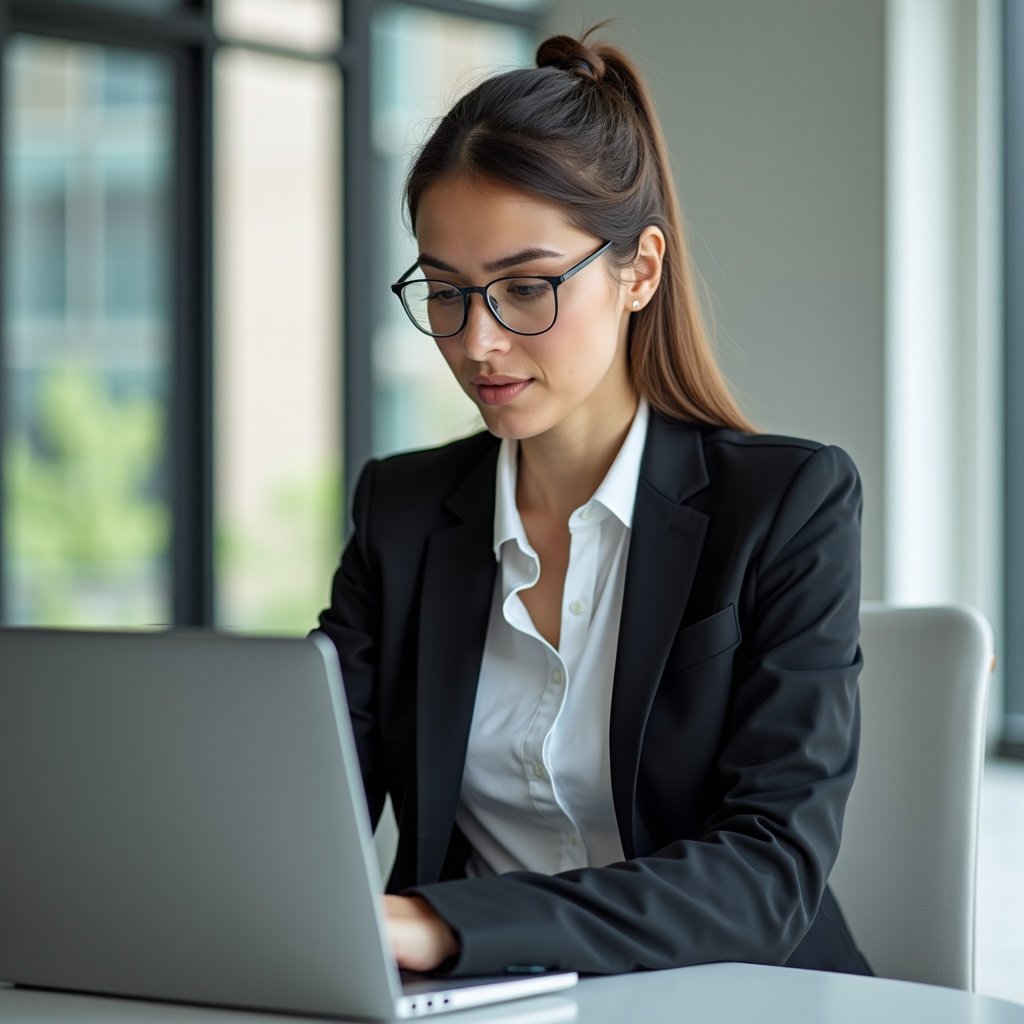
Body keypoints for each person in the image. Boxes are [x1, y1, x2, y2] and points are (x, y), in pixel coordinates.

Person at [316, 28, 870, 978]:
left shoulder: (786, 504)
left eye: (525, 288)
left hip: (737, 1000)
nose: (476, 342)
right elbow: (308, 809)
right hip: (480, 1004)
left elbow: (767, 876)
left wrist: (444, 927)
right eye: (445, 293)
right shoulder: (400, 512)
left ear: (639, 271)